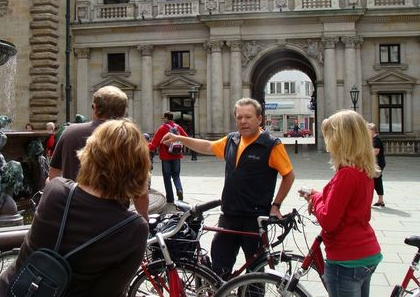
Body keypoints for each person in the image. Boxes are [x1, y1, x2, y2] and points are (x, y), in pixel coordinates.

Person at [0, 119, 150, 297]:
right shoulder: (134, 229)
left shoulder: (55, 190)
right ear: (139, 168)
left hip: (9, 291)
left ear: (89, 154)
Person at [161, 97, 295, 278]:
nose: (243, 121)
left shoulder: (270, 144)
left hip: (254, 219)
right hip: (229, 214)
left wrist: (276, 205)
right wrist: (180, 138)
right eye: (239, 117)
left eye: (248, 117)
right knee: (219, 267)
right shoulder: (233, 140)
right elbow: (208, 145)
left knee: (255, 271)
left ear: (259, 119)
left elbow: (289, 175)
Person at [302, 110, 382, 297]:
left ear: (341, 139)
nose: (328, 143)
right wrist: (320, 195)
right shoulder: (363, 170)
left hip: (346, 259)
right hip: (367, 253)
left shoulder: (346, 174)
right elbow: (349, 206)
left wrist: (315, 199)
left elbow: (329, 221)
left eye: (330, 136)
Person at [49, 85, 149, 219]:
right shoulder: (132, 138)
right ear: (124, 111)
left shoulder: (70, 132)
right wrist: (144, 218)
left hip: (73, 213)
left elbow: (54, 174)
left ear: (95, 108)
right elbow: (140, 190)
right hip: (114, 217)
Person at [148, 111, 188, 203]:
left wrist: (147, 148)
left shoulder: (162, 128)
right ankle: (179, 189)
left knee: (167, 177)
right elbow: (186, 138)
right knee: (176, 175)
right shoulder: (178, 127)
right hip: (177, 155)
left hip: (166, 156)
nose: (163, 120)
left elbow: (155, 143)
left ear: (166, 118)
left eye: (163, 118)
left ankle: (170, 198)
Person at [367, 122, 386, 207]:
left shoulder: (376, 139)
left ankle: (378, 200)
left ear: (373, 131)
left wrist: (365, 153)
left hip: (377, 163)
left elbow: (376, 151)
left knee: (374, 181)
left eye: (368, 130)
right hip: (376, 163)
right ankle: (380, 200)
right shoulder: (374, 139)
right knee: (376, 181)